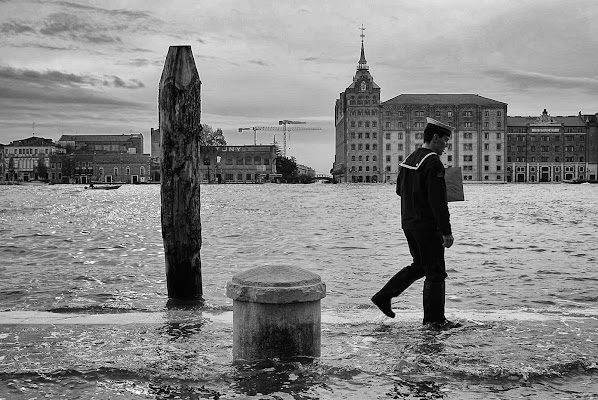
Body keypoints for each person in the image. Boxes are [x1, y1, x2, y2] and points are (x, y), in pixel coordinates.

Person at [371, 117, 459, 328]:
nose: (446, 146)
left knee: (420, 266)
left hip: (409, 224)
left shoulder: (410, 159)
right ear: (435, 138)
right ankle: (435, 321)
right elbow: (438, 202)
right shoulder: (433, 162)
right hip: (428, 226)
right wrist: (446, 232)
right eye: (445, 140)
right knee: (436, 271)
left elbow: (400, 191)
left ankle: (384, 296)